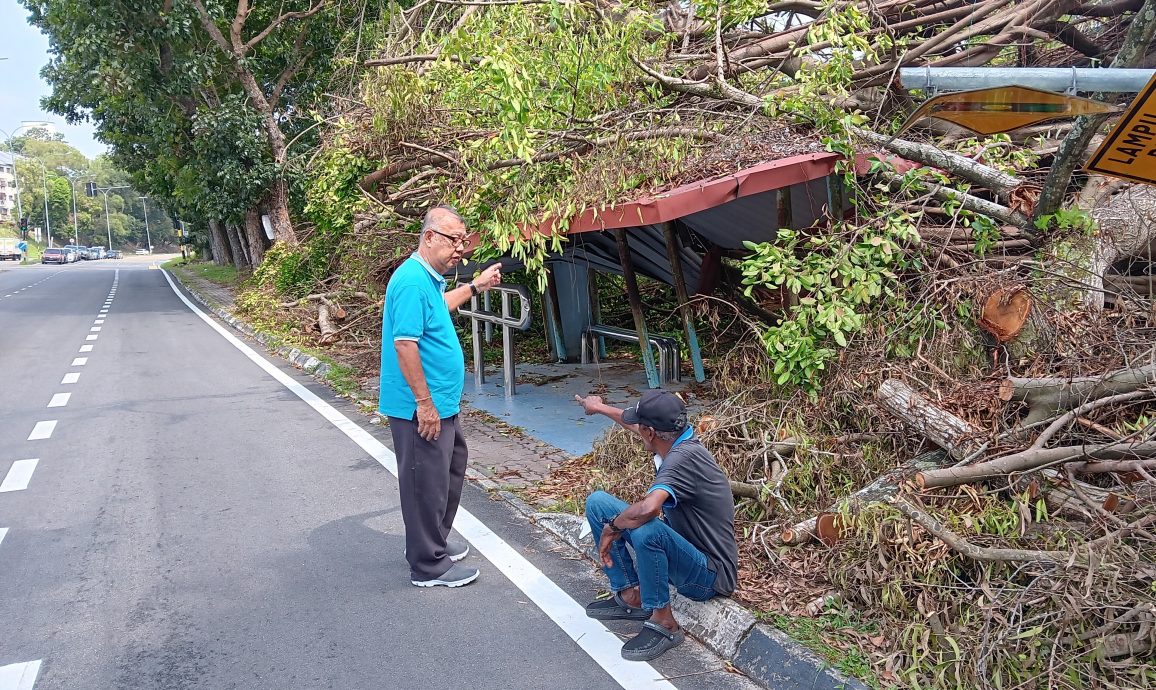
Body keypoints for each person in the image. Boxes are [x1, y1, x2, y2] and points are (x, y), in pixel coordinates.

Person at [380, 205, 501, 588]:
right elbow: (404, 345)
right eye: (453, 240)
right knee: (424, 483)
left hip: (442, 403)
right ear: (430, 237)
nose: (460, 249)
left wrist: (476, 286)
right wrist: (424, 404)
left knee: (448, 471)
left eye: (463, 241)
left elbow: (440, 309)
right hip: (422, 407)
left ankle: (432, 542)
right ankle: (427, 565)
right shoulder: (412, 281)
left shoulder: (427, 280)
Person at [574, 390, 739, 661]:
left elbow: (649, 509)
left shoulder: (682, 460)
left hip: (708, 577)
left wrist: (613, 527)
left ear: (650, 433)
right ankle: (631, 596)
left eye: (641, 428)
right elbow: (632, 423)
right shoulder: (675, 439)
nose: (636, 429)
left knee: (646, 527)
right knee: (598, 503)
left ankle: (664, 622)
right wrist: (599, 408)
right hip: (686, 554)